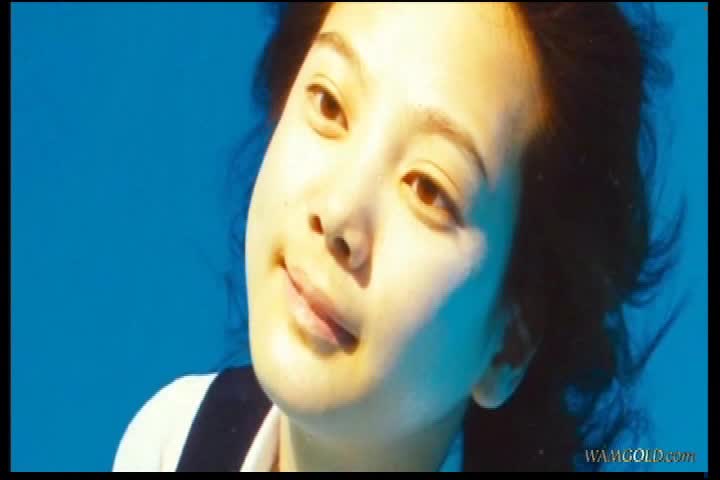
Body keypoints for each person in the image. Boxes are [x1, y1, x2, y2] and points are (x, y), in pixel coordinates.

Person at [112, 2, 685, 472]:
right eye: (329, 104)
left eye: (429, 188)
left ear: (510, 341)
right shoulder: (172, 439)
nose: (338, 213)